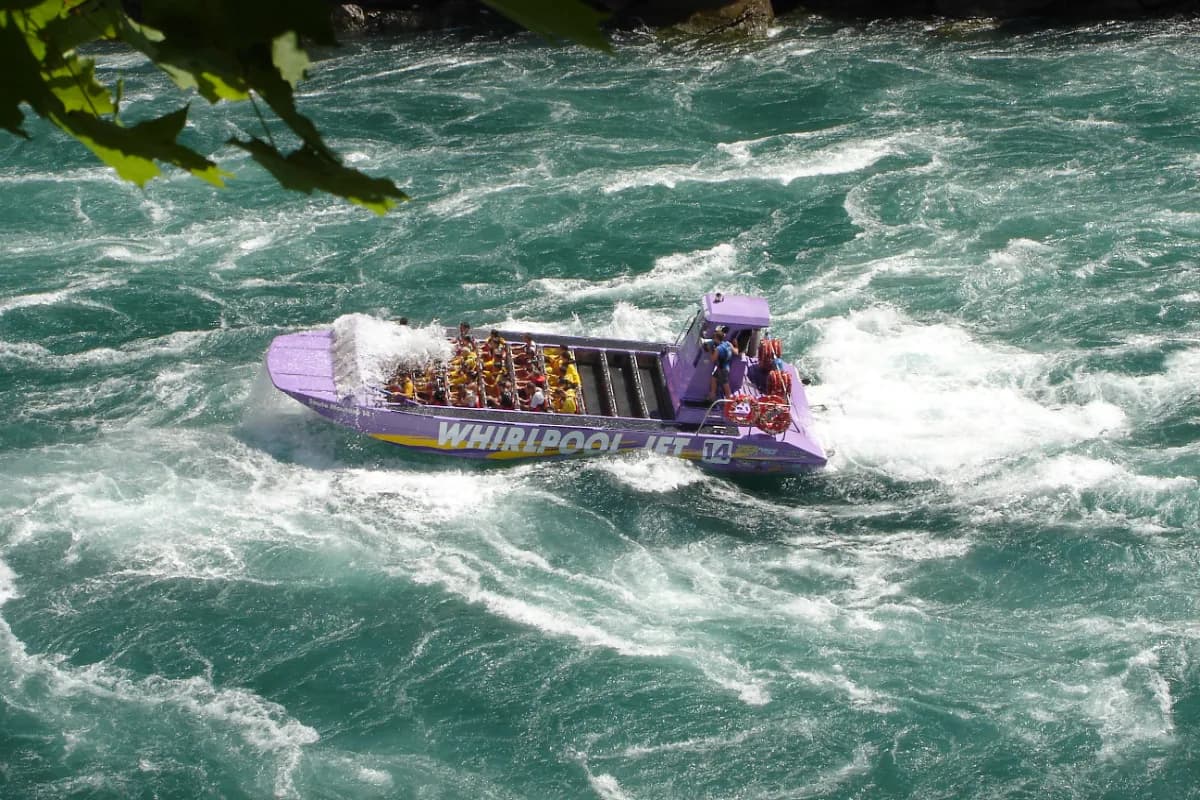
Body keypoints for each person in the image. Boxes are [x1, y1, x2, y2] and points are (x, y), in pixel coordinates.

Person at [708, 327, 738, 401]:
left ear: (716, 339)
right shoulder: (728, 344)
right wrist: (736, 345)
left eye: (714, 338)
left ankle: (729, 401)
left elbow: (712, 359)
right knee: (714, 378)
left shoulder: (718, 349)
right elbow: (736, 352)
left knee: (726, 385)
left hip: (722, 369)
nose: (713, 339)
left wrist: (711, 350)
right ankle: (712, 395)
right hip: (726, 367)